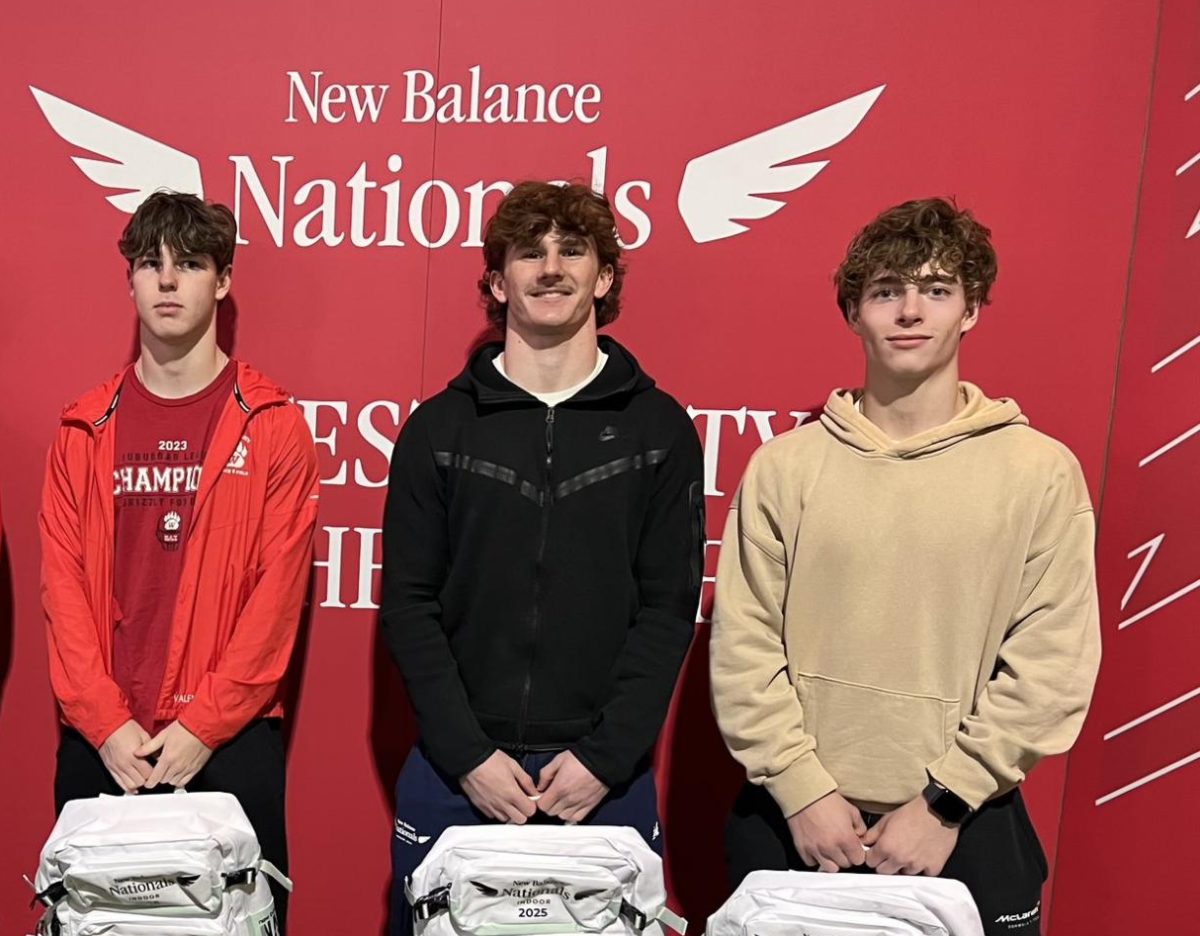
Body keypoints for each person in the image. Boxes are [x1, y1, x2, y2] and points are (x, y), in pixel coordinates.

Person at [710, 198, 1100, 934]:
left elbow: (1052, 663)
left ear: (971, 310)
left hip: (962, 825)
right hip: (798, 826)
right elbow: (745, 645)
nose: (910, 311)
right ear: (854, 312)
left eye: (937, 290)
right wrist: (800, 791)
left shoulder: (1038, 472)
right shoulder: (785, 468)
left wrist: (946, 803)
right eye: (887, 290)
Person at [381, 181, 705, 934]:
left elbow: (666, 611)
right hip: (457, 777)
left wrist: (604, 758)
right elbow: (408, 606)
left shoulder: (659, 430)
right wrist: (468, 757)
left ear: (607, 277)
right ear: (498, 282)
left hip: (602, 782)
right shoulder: (438, 429)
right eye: (530, 252)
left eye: (572, 250)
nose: (551, 268)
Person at [40, 191, 319, 931]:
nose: (167, 281)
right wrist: (105, 724)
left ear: (222, 282)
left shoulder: (276, 428)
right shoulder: (82, 428)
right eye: (150, 264)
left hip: (227, 743)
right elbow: (61, 589)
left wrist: (203, 725)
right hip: (106, 747)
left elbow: (277, 597)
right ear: (129, 280)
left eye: (189, 264)